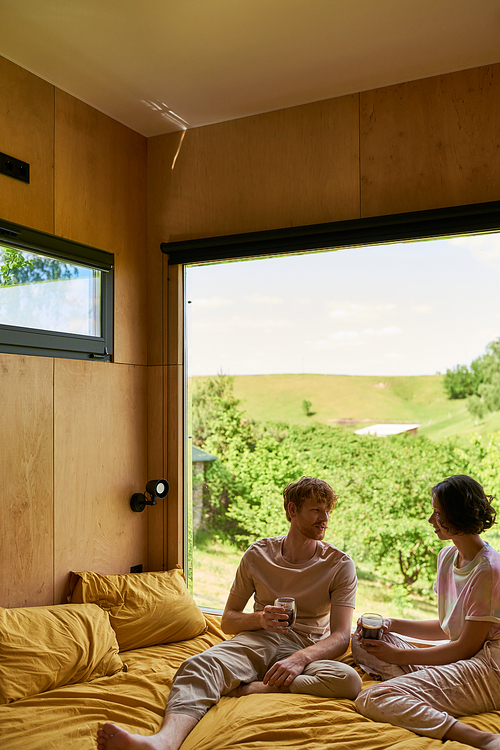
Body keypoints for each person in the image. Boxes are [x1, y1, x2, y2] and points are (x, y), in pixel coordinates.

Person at [97, 476, 362, 750]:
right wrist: (260, 619)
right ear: (292, 511)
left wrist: (297, 660)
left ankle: (252, 686)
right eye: (316, 510)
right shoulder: (258, 554)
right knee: (197, 666)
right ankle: (163, 742)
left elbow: (342, 636)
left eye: (327, 511)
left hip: (308, 647)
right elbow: (228, 621)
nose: (324, 519)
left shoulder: (340, 565)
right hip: (260, 639)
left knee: (349, 681)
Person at [352, 474, 500, 750]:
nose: (431, 521)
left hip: (490, 666)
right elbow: (447, 627)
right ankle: (421, 693)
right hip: (463, 657)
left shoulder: (489, 571)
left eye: (437, 513)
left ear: (458, 516)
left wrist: (400, 655)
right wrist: (391, 623)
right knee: (360, 641)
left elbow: (466, 647)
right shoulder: (447, 557)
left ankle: (483, 738)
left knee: (373, 698)